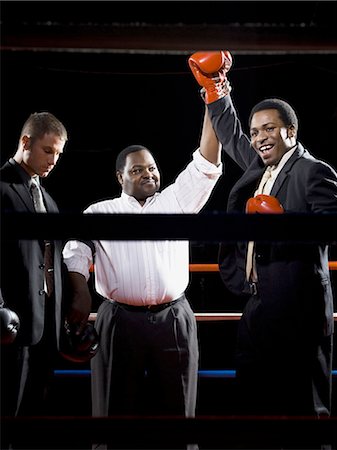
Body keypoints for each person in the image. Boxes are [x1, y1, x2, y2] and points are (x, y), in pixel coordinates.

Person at [62, 107, 222, 447]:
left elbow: (206, 162)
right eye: (137, 169)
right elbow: (75, 251)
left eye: (151, 168)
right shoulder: (100, 211)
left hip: (174, 316)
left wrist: (213, 100)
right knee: (111, 414)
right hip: (118, 318)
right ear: (120, 177)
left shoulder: (177, 200)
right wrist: (79, 291)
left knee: (181, 415)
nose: (148, 173)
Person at [189, 51, 337, 417]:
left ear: (290, 130)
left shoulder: (313, 171)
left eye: (268, 129)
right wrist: (215, 90)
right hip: (258, 304)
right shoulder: (260, 166)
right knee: (256, 400)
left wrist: (285, 221)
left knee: (303, 406)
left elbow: (332, 227)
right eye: (256, 132)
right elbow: (232, 135)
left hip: (300, 307)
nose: (258, 138)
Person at [0, 112, 83, 448]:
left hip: (45, 324)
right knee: (7, 413)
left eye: (59, 154)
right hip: (10, 324)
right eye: (48, 151)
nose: (54, 160)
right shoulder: (1, 187)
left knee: (35, 417)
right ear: (25, 143)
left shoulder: (47, 199)